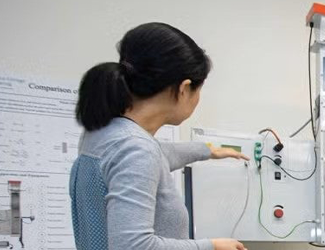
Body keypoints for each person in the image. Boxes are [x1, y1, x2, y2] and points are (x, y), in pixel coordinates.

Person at [69, 22, 248, 250]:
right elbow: (133, 246)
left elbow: (155, 155)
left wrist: (207, 151)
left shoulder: (103, 134)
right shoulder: (136, 149)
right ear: (184, 89)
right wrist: (210, 246)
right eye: (198, 89)